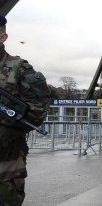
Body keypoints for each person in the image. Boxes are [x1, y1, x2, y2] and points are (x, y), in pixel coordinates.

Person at [0, 15, 50, 205]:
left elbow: (39, 109)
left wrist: (5, 123)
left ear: (3, 37)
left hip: (5, 164)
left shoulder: (20, 69)